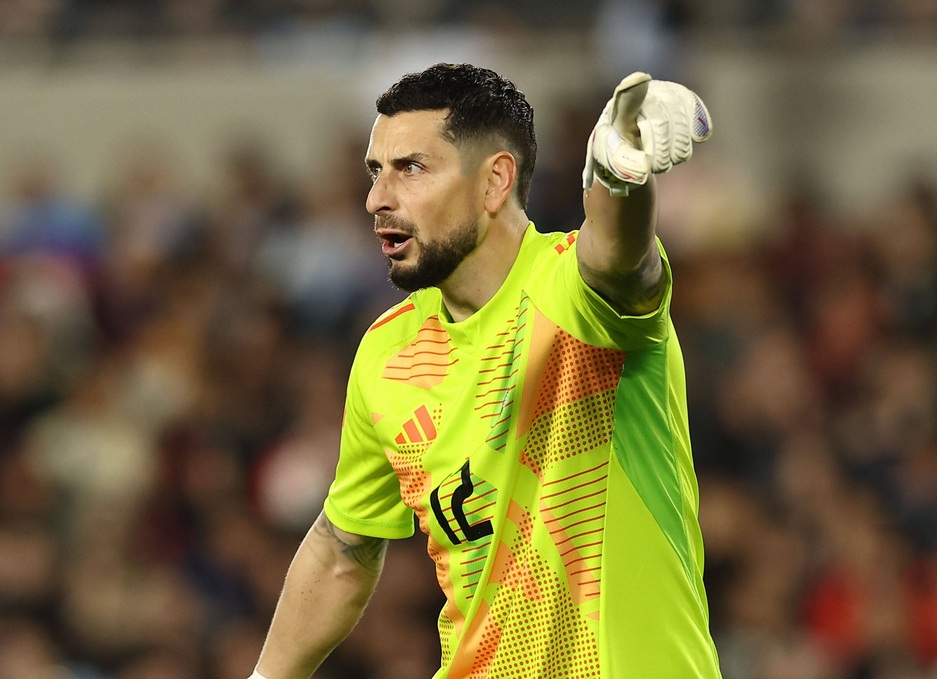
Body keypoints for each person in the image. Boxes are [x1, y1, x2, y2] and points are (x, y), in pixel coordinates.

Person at [251, 62, 720, 678]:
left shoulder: (570, 294)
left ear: (495, 181)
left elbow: (618, 259)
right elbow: (343, 549)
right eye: (375, 172)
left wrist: (618, 172)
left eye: (410, 169)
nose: (376, 199)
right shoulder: (387, 354)